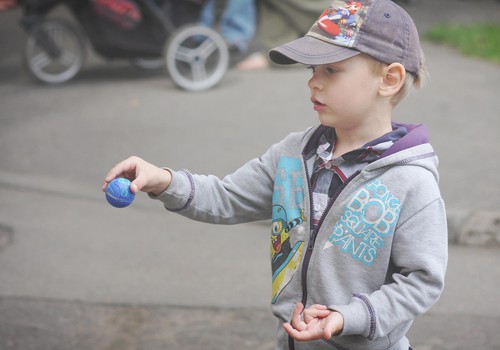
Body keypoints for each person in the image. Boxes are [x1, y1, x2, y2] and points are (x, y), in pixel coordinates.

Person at [103, 0, 448, 348]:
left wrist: (348, 317)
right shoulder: (293, 155)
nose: (314, 82)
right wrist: (163, 180)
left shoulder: (411, 182)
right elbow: (227, 197)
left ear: (388, 80)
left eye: (331, 70)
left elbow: (421, 281)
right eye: (312, 69)